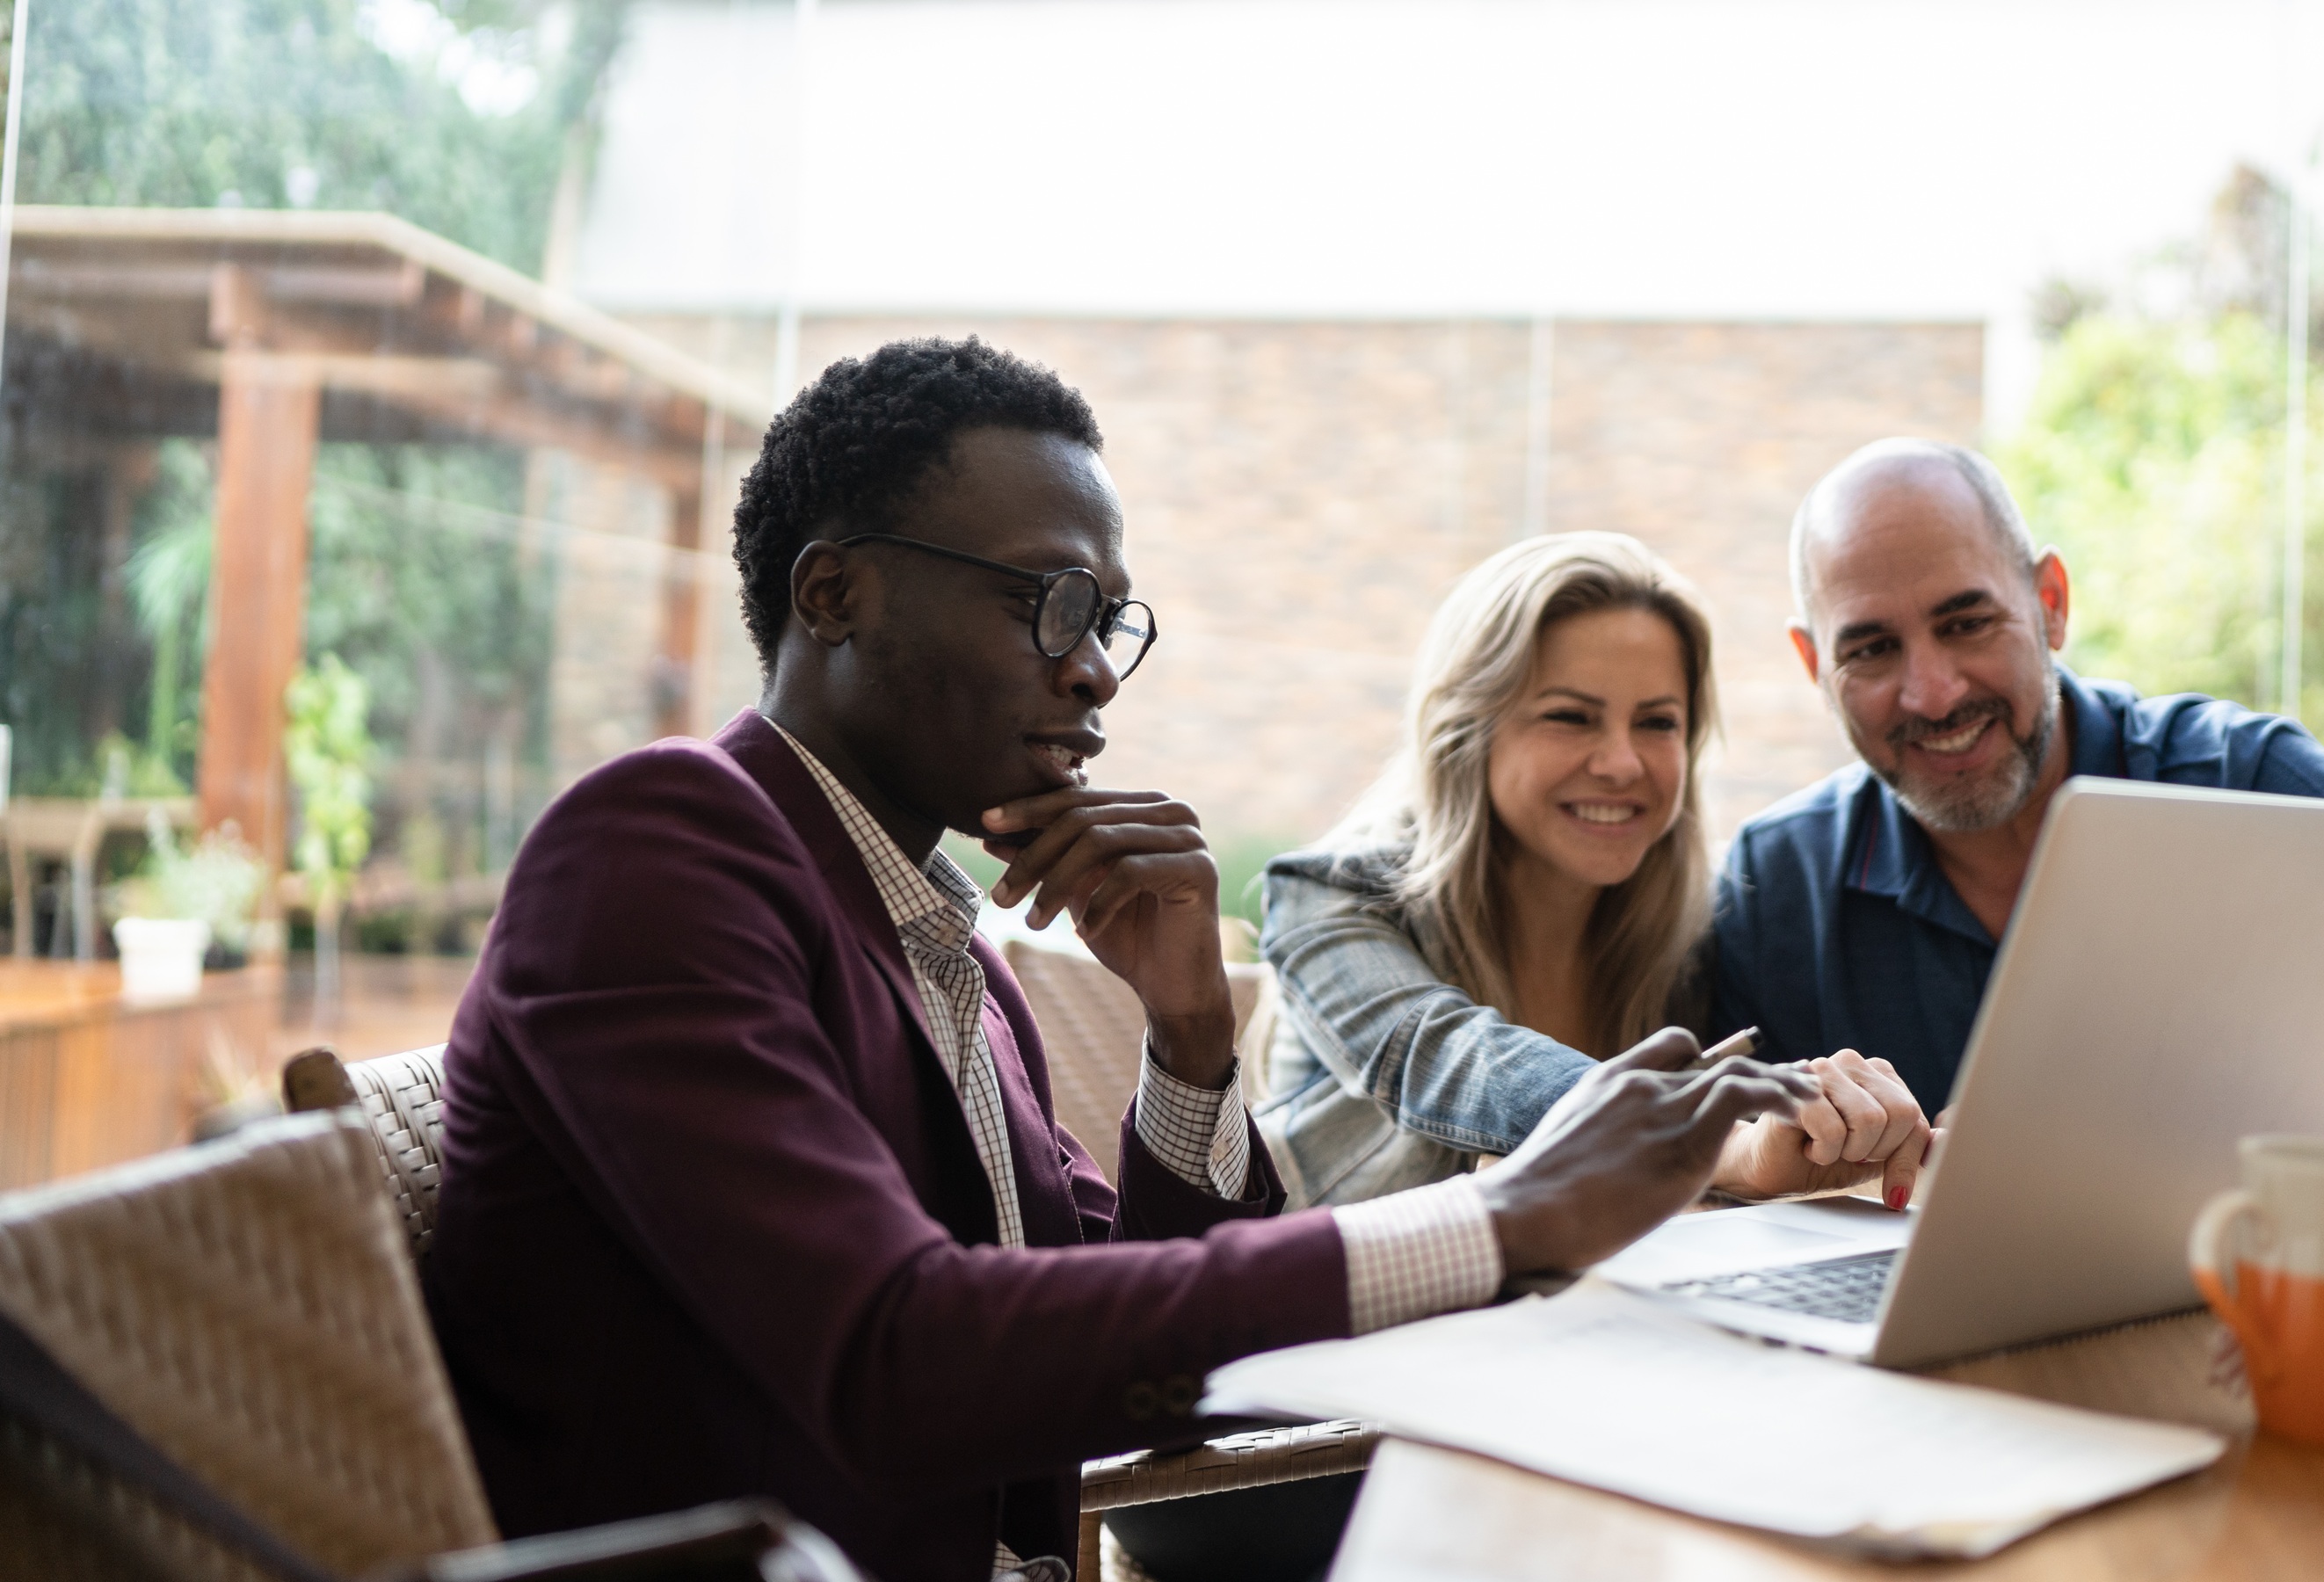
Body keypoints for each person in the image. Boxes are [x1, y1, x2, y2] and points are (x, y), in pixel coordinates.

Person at [419, 338, 1824, 1582]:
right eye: (1051, 602)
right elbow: (898, 1358)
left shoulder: (943, 941)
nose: (1093, 669)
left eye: (1108, 623)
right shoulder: (659, 848)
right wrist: (1506, 1220)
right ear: (835, 594)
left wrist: (1192, 1040)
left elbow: (1169, 1361)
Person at [1705, 438, 2324, 1205]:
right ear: (1813, 663)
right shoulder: (1772, 884)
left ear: (2049, 603)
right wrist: (1748, 1153)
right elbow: (1659, 1139)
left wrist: (2111, 1131)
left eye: (1965, 622)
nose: (1931, 692)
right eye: (1868, 649)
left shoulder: (2248, 782)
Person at [1259, 533, 1935, 1214]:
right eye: (1571, 717)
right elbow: (1449, 1063)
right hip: (1326, 1310)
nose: (1622, 763)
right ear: (1468, 731)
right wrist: (1719, 1144)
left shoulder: (1699, 930)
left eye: (1657, 722)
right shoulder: (1329, 897)